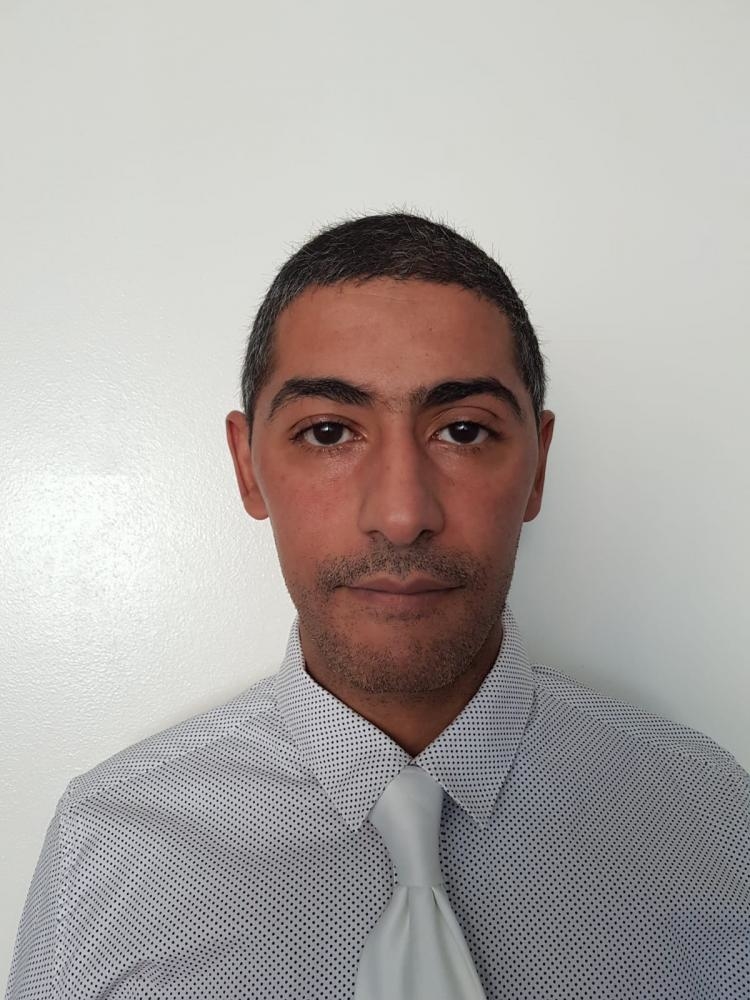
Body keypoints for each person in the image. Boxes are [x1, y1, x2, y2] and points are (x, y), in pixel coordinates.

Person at [6, 212, 749, 1000]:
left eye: (464, 431)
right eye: (329, 432)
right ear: (247, 467)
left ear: (537, 468)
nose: (401, 515)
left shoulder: (712, 821)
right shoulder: (107, 847)